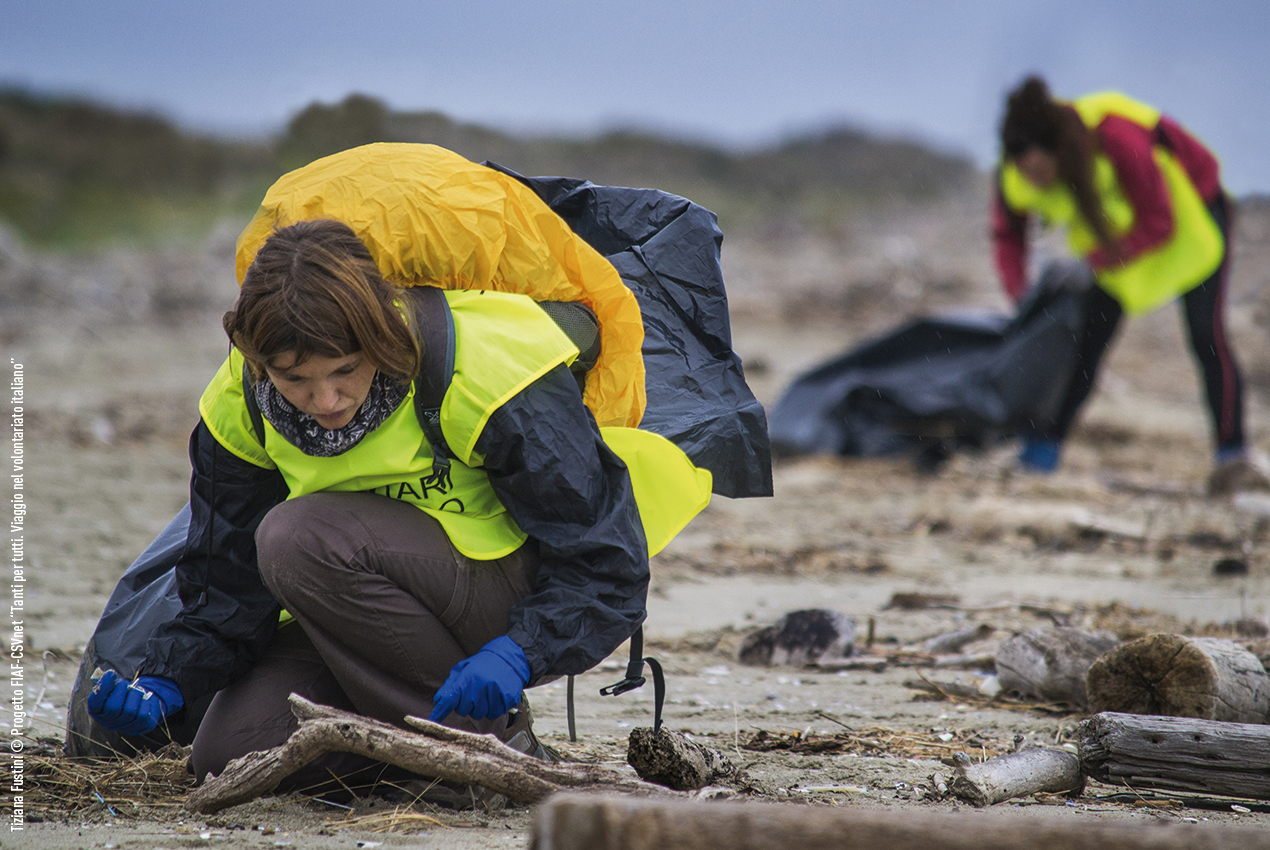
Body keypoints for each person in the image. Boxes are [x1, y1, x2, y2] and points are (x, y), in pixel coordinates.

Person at [83, 143, 720, 801]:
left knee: (296, 537)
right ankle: (421, 748)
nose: (324, 401)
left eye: (344, 372)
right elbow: (229, 587)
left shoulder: (486, 369)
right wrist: (166, 678)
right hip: (361, 608)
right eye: (294, 379)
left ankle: (488, 753)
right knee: (229, 756)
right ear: (253, 358)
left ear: (380, 334)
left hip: (500, 598)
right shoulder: (236, 403)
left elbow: (606, 562)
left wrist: (520, 651)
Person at [992, 75, 1266, 493]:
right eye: (1026, 172)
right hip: (1116, 236)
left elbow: (1160, 220)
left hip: (1193, 221)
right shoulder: (1015, 168)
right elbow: (1007, 232)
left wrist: (1093, 263)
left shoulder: (1118, 136)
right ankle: (1041, 452)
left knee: (1206, 336)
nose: (1036, 181)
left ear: (1059, 153)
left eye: (1041, 170)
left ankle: (1233, 457)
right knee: (1084, 343)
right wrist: (1021, 294)